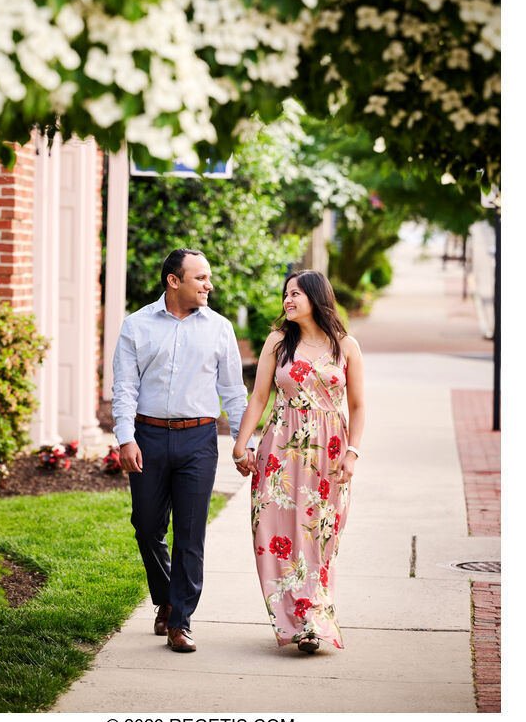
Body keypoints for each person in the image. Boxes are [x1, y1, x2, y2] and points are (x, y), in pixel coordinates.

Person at [112, 248, 255, 653]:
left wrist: (241, 444)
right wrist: (126, 437)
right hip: (149, 436)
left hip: (199, 440)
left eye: (208, 277)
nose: (209, 285)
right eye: (200, 278)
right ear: (174, 281)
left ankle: (180, 622)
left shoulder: (219, 328)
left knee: (190, 535)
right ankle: (167, 596)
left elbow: (233, 392)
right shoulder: (136, 326)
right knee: (147, 526)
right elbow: (124, 387)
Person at [232, 270, 364, 654]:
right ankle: (294, 623)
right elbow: (258, 398)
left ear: (316, 298)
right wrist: (242, 446)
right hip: (280, 451)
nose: (288, 300)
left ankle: (316, 620)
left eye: (296, 294)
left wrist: (353, 453)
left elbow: (357, 406)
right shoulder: (277, 342)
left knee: (320, 538)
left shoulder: (346, 346)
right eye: (286, 294)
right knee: (276, 538)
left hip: (330, 454)